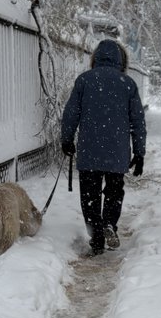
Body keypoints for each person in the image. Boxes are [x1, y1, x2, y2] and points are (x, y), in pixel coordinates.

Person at [61, 39, 146, 256]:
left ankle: (96, 235)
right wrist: (139, 152)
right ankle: (109, 223)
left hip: (90, 149)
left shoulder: (84, 80)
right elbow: (137, 120)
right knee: (114, 192)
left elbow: (71, 113)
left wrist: (67, 139)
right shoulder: (127, 84)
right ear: (120, 60)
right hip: (117, 152)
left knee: (89, 195)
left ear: (95, 58)